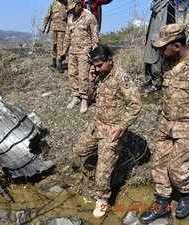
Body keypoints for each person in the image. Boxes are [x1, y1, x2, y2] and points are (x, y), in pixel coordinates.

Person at [140, 23, 189, 224]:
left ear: (177, 46)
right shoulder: (168, 62)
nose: (160, 51)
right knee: (159, 165)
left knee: (177, 169)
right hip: (165, 123)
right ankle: (162, 203)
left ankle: (186, 196)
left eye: (163, 47)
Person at [72, 45, 141, 218]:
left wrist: (122, 126)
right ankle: (108, 164)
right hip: (97, 126)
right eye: (94, 65)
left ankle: (102, 198)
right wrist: (91, 80)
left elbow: (136, 105)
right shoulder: (99, 75)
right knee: (79, 151)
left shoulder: (121, 77)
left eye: (100, 64)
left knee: (102, 172)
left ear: (111, 60)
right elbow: (89, 98)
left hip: (112, 130)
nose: (97, 68)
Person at [61, 0, 99, 113]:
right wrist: (64, 51)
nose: (71, 11)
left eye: (73, 8)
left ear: (79, 5)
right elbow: (68, 35)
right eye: (70, 9)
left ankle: (84, 99)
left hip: (84, 51)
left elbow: (95, 36)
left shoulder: (89, 17)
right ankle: (75, 96)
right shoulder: (70, 17)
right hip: (73, 51)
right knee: (72, 74)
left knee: (83, 75)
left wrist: (94, 51)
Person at [142, 0, 176, 93]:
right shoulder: (156, 6)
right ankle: (149, 82)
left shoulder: (168, 4)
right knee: (149, 60)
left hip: (161, 39)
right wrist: (147, 37)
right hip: (152, 38)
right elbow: (151, 25)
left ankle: (157, 84)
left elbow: (172, 24)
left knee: (157, 61)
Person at [42, 0, 68, 73]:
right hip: (53, 29)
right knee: (53, 45)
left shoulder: (67, 4)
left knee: (60, 46)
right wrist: (44, 27)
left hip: (62, 29)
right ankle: (54, 63)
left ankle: (60, 64)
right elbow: (47, 16)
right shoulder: (53, 3)